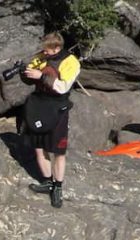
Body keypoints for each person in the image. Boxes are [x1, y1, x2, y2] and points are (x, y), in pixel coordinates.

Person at [21, 32, 81, 208]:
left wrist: (41, 77)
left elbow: (63, 87)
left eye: (47, 50)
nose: (43, 53)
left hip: (57, 108)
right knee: (39, 148)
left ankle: (58, 187)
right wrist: (24, 73)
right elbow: (30, 77)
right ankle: (47, 182)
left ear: (57, 47)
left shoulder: (71, 62)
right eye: (43, 50)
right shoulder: (41, 57)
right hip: (38, 105)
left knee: (58, 152)